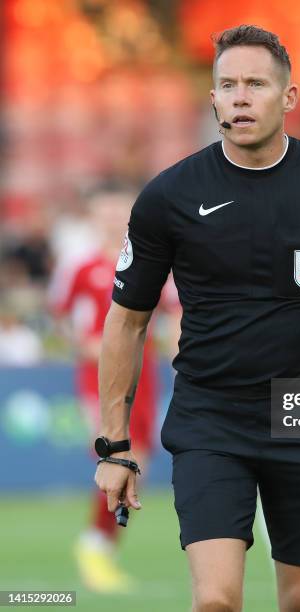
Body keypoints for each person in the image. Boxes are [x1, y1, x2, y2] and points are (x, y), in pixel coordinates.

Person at [95, 25, 300, 612]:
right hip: (209, 416)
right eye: (228, 85)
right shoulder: (168, 197)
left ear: (288, 97)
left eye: (255, 84)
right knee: (216, 600)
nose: (240, 96)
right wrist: (114, 447)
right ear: (213, 99)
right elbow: (126, 322)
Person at [51, 188, 180, 594]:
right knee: (116, 455)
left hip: (144, 374)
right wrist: (81, 344)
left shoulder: (152, 262)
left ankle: (101, 548)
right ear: (91, 218)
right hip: (98, 374)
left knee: (139, 460)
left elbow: (174, 313)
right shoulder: (80, 266)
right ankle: (94, 547)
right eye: (103, 211)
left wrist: (177, 349)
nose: (110, 218)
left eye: (118, 211)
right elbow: (58, 316)